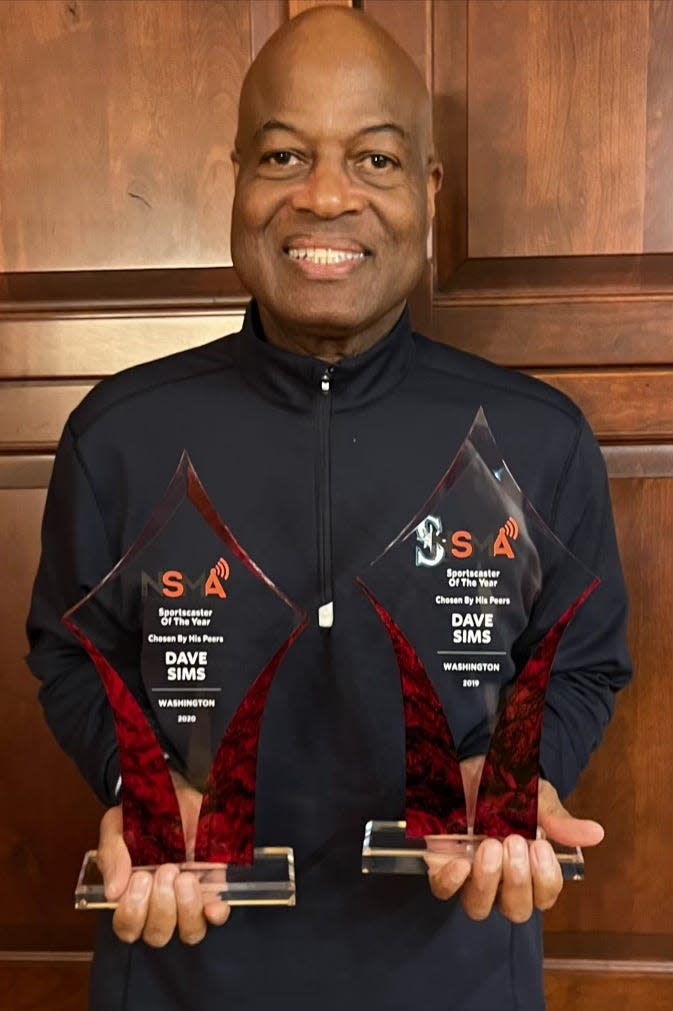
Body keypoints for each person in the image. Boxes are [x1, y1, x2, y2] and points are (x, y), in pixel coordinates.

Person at [26, 7, 631, 1010]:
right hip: (181, 973)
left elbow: (586, 661)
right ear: (237, 178)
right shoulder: (118, 434)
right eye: (282, 154)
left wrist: (519, 782)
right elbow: (65, 654)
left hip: (457, 972)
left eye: (376, 161)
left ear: (428, 190)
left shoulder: (539, 438)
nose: (324, 196)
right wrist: (137, 790)